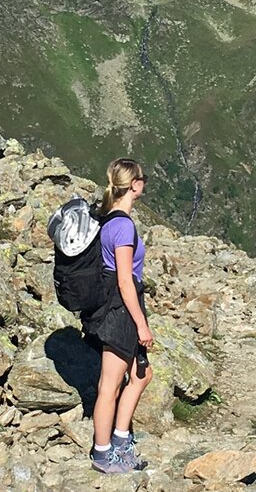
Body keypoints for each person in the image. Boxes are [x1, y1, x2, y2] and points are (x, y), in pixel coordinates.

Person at [87, 157, 154, 474]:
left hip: (114, 307)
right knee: (110, 386)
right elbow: (125, 280)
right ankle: (103, 455)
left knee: (141, 374)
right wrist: (141, 324)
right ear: (135, 185)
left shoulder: (108, 219)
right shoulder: (124, 226)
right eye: (143, 179)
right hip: (121, 310)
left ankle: (120, 439)